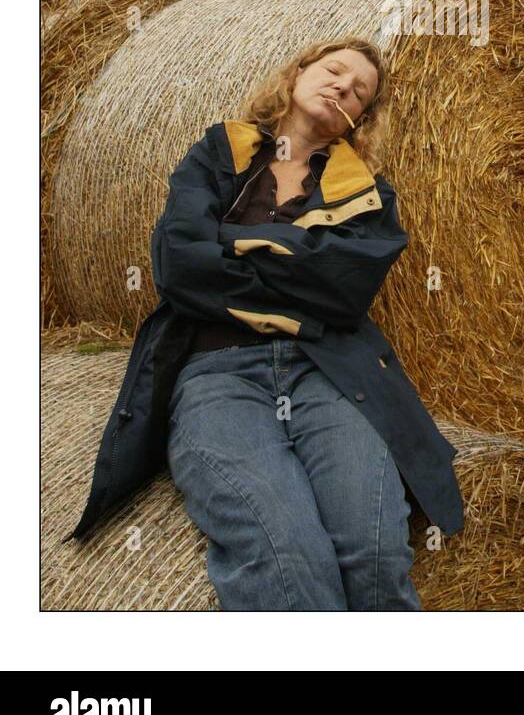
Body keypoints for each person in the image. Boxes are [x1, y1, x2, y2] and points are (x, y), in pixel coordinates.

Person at [64, 35, 464, 611]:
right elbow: (178, 264)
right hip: (217, 375)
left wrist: (231, 245)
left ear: (360, 120)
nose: (342, 88)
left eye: (359, 93)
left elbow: (342, 291)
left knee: (373, 550)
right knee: (287, 553)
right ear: (300, 72)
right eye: (334, 71)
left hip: (328, 374)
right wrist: (295, 256)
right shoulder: (217, 154)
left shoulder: (370, 196)